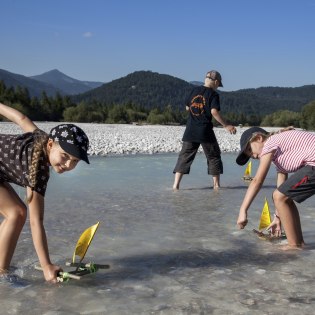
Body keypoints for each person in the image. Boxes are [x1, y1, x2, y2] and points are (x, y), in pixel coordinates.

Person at [0, 102, 90, 283]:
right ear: (50, 144)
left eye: (75, 161)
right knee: (16, 213)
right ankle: (1, 273)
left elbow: (22, 119)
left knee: (16, 212)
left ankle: (1, 264)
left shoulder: (41, 137)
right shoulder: (37, 172)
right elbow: (36, 222)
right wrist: (47, 265)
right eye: (65, 156)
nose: (68, 165)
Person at [236, 126, 315, 250]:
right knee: (283, 197)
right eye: (249, 156)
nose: (253, 156)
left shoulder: (270, 143)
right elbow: (282, 189)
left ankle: (294, 246)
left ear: (259, 138)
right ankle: (299, 244)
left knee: (278, 196)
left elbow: (257, 180)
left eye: (250, 150)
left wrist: (243, 210)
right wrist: (278, 217)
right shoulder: (279, 151)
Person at [173, 70, 236, 190]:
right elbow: (214, 112)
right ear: (216, 81)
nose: (218, 87)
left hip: (190, 130)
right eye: (218, 85)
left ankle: (175, 185)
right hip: (205, 130)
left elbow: (187, 108)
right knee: (213, 156)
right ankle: (216, 186)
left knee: (184, 157)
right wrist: (226, 125)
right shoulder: (213, 94)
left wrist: (195, 113)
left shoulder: (193, 91)